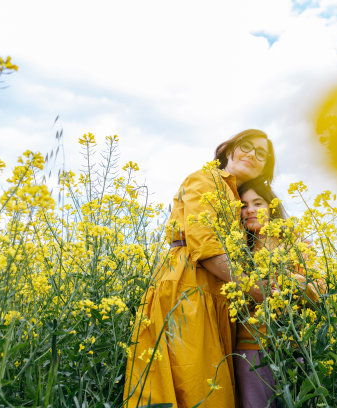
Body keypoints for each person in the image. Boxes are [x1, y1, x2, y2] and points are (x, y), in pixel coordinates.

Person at [124, 129, 276, 408]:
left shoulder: (239, 198)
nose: (253, 155)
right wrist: (258, 290)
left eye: (261, 154)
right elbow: (206, 247)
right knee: (194, 383)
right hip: (189, 288)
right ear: (229, 150)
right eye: (246, 147)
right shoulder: (204, 179)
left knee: (212, 383)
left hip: (217, 293)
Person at [234, 179, 326, 408]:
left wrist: (291, 282)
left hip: (292, 346)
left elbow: (319, 292)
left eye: (258, 203)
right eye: (243, 205)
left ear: (271, 208)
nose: (251, 210)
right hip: (250, 350)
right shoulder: (235, 253)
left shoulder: (297, 244)